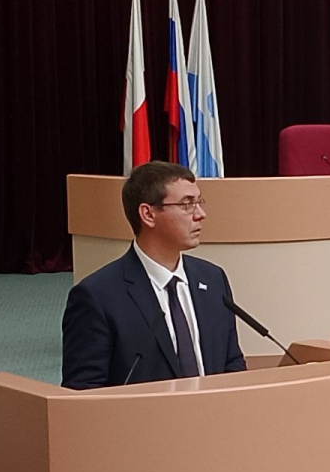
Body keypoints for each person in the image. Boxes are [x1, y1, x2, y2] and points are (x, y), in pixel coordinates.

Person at [62, 161, 246, 389]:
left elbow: (232, 364)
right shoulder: (98, 297)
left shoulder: (213, 279)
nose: (201, 214)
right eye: (187, 204)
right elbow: (83, 392)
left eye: (199, 202)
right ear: (148, 214)